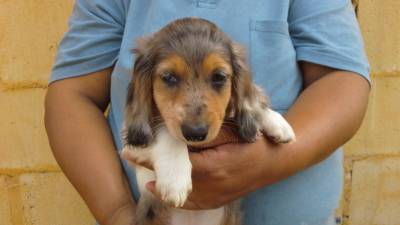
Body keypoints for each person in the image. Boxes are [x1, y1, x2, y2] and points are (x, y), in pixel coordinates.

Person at [44, 0, 370, 224]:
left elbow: (341, 78)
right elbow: (73, 95)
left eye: (218, 78)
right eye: (170, 79)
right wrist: (118, 214)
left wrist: (267, 163)